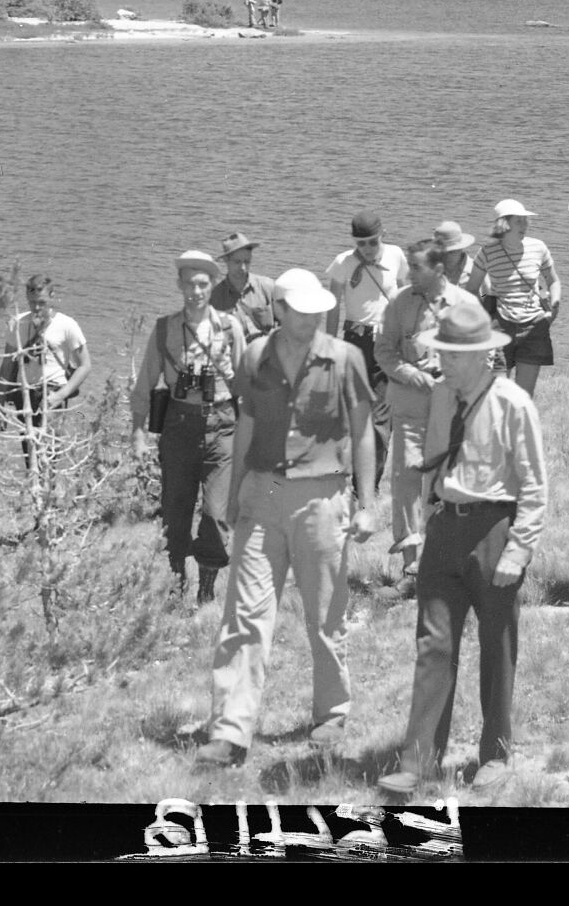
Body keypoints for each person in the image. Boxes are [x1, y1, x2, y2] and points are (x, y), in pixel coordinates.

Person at [197, 267, 380, 768]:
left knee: (325, 611)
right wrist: (233, 496)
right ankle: (231, 730)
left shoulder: (346, 358)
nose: (313, 317)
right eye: (302, 309)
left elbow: (363, 432)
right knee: (246, 613)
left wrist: (367, 503)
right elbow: (246, 425)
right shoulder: (257, 355)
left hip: (323, 497)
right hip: (265, 491)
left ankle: (331, 712)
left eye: (318, 308)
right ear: (280, 309)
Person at [376, 292, 548, 800]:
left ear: (480, 356)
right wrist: (428, 517)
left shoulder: (513, 403)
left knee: (497, 645)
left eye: (450, 354)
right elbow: (434, 458)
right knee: (433, 644)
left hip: (494, 530)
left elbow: (535, 487)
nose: (440, 361)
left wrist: (517, 550)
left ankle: (495, 755)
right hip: (445, 531)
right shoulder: (443, 396)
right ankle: (419, 760)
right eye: (439, 352)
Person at [134, 249, 253, 604]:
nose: (195, 291)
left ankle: (206, 588)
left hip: (222, 426)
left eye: (202, 284)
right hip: (179, 425)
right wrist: (137, 434)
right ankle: (176, 583)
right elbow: (143, 386)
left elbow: (245, 387)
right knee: (175, 510)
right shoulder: (165, 329)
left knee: (217, 515)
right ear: (179, 285)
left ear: (213, 284)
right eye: (188, 284)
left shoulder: (230, 328)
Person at [376, 238, 476, 587]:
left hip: (450, 415)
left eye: (415, 267)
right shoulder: (400, 303)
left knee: (444, 487)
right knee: (405, 483)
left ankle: (439, 565)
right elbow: (384, 352)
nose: (409, 273)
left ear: (438, 268)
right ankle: (409, 567)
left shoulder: (466, 305)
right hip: (410, 410)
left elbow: (485, 358)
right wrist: (411, 374)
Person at [325, 212, 405, 493]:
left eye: (372, 242)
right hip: (354, 343)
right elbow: (333, 307)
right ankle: (336, 476)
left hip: (387, 343)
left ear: (383, 235)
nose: (368, 249)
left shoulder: (396, 256)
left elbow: (406, 294)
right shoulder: (343, 263)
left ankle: (366, 487)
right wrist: (328, 345)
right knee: (349, 415)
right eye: (361, 244)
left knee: (382, 419)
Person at [0, 273, 92, 461]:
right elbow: (7, 365)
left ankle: (50, 488)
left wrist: (61, 395)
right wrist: (1, 404)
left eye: (41, 302)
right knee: (29, 454)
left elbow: (85, 365)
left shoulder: (67, 325)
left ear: (52, 295)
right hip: (23, 394)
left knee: (49, 456)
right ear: (26, 297)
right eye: (32, 302)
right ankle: (35, 489)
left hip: (53, 394)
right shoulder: (17, 323)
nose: (37, 307)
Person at [477, 200, 562, 397]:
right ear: (503, 225)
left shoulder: (538, 247)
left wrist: (553, 308)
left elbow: (553, 281)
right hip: (500, 325)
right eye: (519, 221)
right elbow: (473, 288)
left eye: (526, 221)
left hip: (534, 325)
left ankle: (520, 428)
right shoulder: (487, 252)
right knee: (497, 392)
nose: (525, 226)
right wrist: (482, 318)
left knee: (524, 396)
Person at [214, 231, 278, 335]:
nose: (243, 268)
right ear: (226, 260)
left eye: (247, 262)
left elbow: (286, 324)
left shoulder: (268, 287)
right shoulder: (214, 297)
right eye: (237, 262)